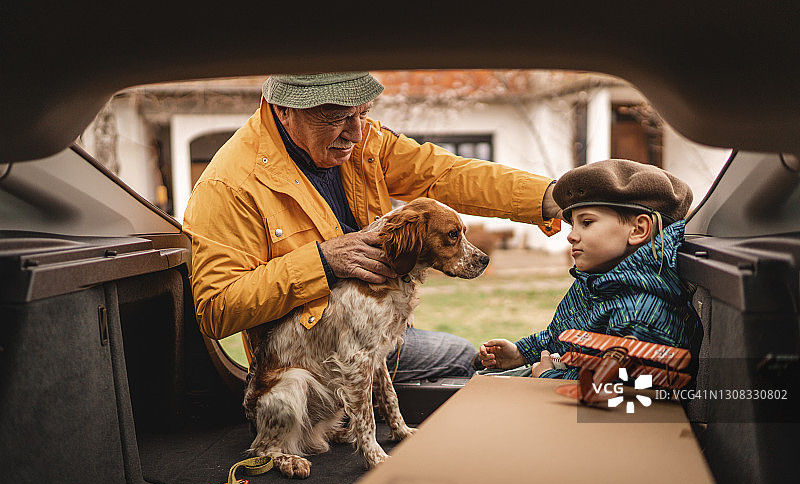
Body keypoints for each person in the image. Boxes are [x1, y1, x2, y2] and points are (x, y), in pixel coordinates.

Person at [182, 72, 562, 381]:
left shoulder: (364, 144)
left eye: (362, 113)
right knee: (463, 355)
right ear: (284, 110)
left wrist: (550, 196)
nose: (357, 133)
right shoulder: (228, 185)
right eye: (338, 117)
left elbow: (446, 174)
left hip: (372, 327)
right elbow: (217, 309)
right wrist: (323, 261)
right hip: (306, 362)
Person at [477, 159, 703, 378]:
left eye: (587, 223)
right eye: (573, 224)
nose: (571, 236)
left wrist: (549, 376)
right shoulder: (600, 282)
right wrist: (520, 353)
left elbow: (621, 396)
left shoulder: (641, 318)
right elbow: (566, 335)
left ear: (638, 229)